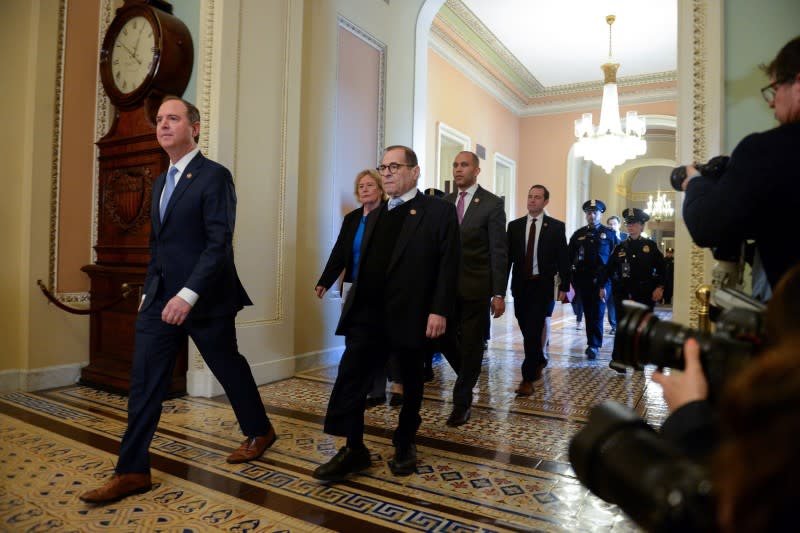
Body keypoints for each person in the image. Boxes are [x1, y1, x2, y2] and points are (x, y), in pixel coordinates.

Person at [80, 97, 275, 503]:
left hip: (206, 298)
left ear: (195, 128)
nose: (163, 125)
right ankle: (132, 471)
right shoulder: (159, 181)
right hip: (159, 299)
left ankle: (260, 430)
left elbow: (219, 243)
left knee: (228, 367)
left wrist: (188, 295)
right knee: (145, 382)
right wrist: (152, 289)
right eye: (160, 120)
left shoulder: (214, 176)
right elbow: (158, 245)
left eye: (173, 118)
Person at [312, 145, 459, 482]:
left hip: (411, 313)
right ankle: (354, 448)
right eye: (384, 167)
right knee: (351, 377)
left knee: (409, 380)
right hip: (368, 314)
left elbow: (448, 266)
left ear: (415, 171)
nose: (388, 172)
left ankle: (405, 442)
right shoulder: (376, 214)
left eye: (395, 166)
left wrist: (439, 310)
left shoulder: (437, 212)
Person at [681, 36, 800, 291]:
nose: (771, 101)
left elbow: (706, 226)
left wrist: (695, 182)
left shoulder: (766, 150)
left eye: (776, 88)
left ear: (798, 84)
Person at [315, 170, 399, 408]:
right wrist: (325, 280)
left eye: (370, 185)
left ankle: (378, 390)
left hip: (381, 288)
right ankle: (360, 388)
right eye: (360, 185)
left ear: (381, 189)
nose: (364, 189)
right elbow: (340, 252)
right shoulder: (352, 219)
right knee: (355, 340)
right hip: (352, 286)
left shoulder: (389, 216)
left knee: (379, 338)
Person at [438, 151, 507, 427]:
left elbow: (498, 250)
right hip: (445, 287)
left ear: (476, 171)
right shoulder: (444, 203)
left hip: (476, 288)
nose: (458, 170)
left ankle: (461, 401)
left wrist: (499, 292)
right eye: (455, 165)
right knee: (441, 338)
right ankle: (469, 374)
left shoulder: (491, 204)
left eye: (464, 165)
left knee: (471, 344)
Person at [507, 185, 570, 396]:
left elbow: (564, 259)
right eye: (530, 196)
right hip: (520, 286)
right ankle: (539, 357)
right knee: (525, 326)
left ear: (545, 202)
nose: (532, 200)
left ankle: (527, 378)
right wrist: (498, 289)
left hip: (541, 287)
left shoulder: (555, 227)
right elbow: (507, 259)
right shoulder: (514, 226)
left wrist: (565, 287)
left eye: (537, 197)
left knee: (533, 330)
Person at [568, 200, 619, 359]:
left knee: (597, 312)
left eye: (595, 212)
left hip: (601, 280)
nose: (592, 215)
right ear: (586, 215)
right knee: (587, 312)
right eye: (589, 213)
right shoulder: (578, 234)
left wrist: (608, 283)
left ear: (600, 214)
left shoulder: (609, 235)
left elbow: (615, 259)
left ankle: (594, 345)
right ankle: (592, 342)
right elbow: (569, 257)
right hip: (583, 280)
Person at [604, 215, 627, 334]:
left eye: (614, 224)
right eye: (609, 224)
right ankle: (614, 326)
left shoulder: (625, 237)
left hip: (623, 273)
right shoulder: (605, 238)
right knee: (610, 301)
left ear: (619, 225)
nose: (611, 226)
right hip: (610, 273)